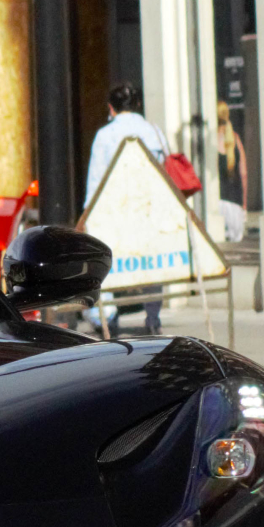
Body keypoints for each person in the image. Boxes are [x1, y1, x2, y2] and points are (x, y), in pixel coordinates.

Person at [86, 82, 168, 337]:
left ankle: (108, 317)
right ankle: (152, 317)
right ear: (138, 105)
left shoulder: (105, 136)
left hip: (116, 211)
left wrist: (89, 214)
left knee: (107, 264)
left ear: (111, 108)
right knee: (151, 262)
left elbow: (96, 180)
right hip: (147, 209)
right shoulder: (154, 132)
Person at [215, 101, 249, 245]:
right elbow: (243, 173)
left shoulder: (211, 140)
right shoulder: (235, 139)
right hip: (235, 203)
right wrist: (244, 203)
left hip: (216, 203)